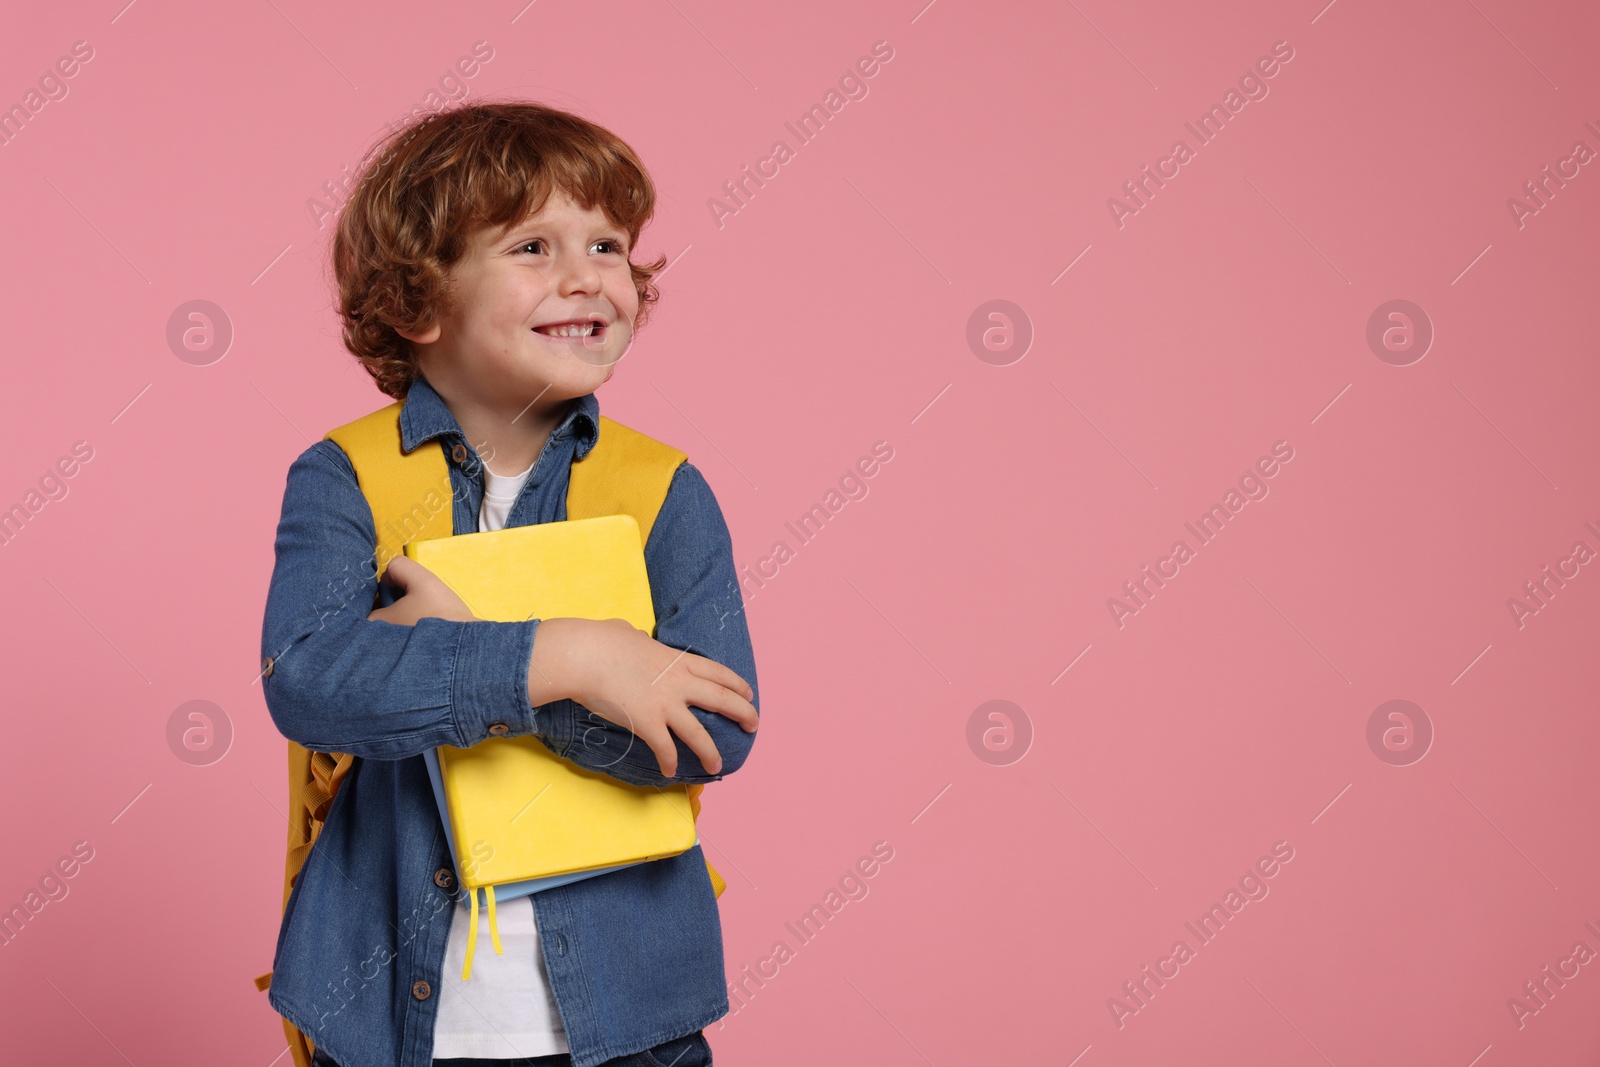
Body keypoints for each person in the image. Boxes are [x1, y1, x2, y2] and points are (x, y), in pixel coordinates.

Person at [259, 101, 761, 1067]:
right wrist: (569, 657)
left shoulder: (665, 490)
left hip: (630, 1021)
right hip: (388, 1021)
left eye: (609, 244)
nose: (588, 275)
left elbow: (715, 729)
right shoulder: (344, 477)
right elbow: (313, 678)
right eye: (532, 245)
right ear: (416, 302)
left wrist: (467, 660)